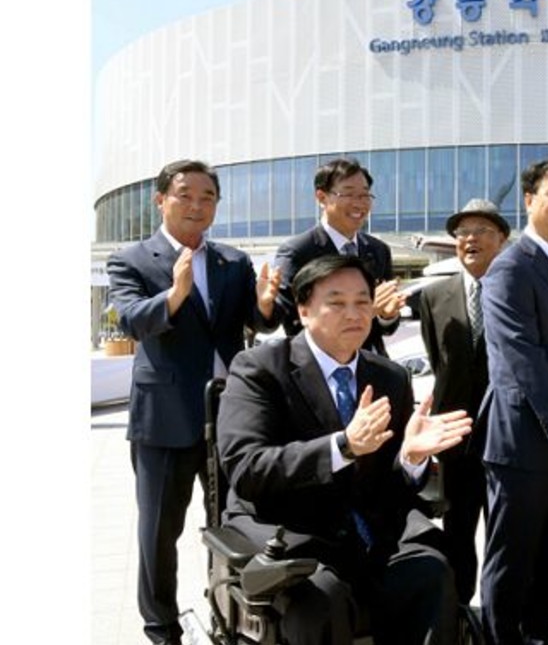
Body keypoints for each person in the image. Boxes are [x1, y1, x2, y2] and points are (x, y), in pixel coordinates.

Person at [217, 255, 474, 645]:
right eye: (336, 302)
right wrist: (343, 446)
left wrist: (410, 458)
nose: (353, 313)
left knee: (432, 574)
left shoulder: (389, 376)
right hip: (290, 528)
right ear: (304, 310)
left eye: (362, 302)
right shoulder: (260, 369)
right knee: (323, 598)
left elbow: (387, 484)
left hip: (369, 531)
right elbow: (247, 469)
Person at [106, 159, 282, 645]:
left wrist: (265, 303)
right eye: (185, 194)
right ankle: (161, 627)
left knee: (234, 521)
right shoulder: (131, 259)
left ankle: (229, 609)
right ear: (160, 200)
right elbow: (131, 320)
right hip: (165, 418)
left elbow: (257, 321)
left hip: (231, 416)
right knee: (159, 532)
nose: (197, 205)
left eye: (208, 197)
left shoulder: (232, 261)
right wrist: (175, 294)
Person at [477, 157, 548, 644]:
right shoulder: (511, 267)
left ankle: (538, 636)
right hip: (524, 441)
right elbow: (522, 357)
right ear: (529, 200)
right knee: (513, 558)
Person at [417, 197, 510, 605]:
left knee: (503, 529)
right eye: (463, 233)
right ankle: (457, 608)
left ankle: (498, 610)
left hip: (506, 431)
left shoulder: (516, 291)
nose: (471, 239)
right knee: (457, 526)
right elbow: (439, 361)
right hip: (454, 433)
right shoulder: (433, 295)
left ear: (502, 240)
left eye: (482, 232)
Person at [274, 157, 405, 356]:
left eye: (364, 195)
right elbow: (294, 326)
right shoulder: (297, 252)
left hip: (370, 363)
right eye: (349, 194)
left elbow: (385, 329)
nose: (359, 203)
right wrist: (366, 311)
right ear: (321, 197)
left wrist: (387, 315)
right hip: (321, 367)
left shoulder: (378, 250)